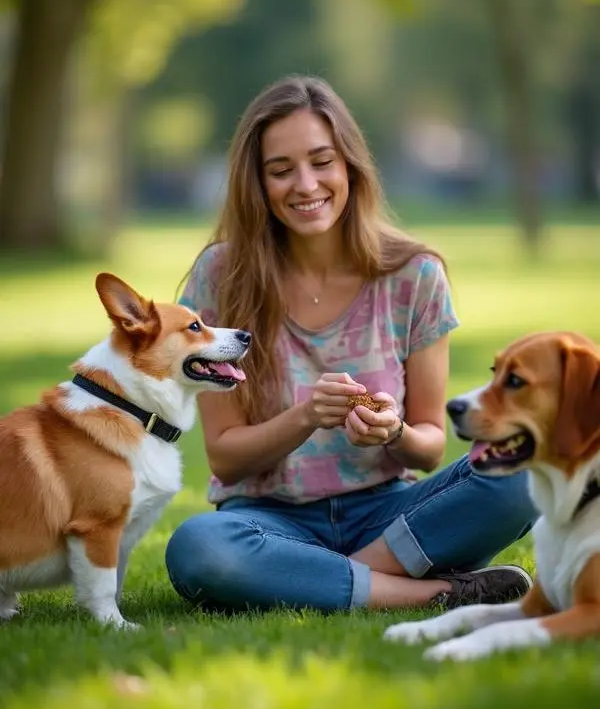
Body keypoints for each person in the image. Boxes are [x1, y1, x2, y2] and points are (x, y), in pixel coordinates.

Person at [165, 75, 536, 613]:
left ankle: (319, 579)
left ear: (350, 166)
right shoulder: (220, 276)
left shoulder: (414, 275)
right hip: (268, 519)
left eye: (322, 161)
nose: (306, 185)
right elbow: (225, 458)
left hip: (390, 515)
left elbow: (430, 445)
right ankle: (434, 592)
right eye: (281, 170)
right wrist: (305, 417)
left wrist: (394, 431)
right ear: (257, 183)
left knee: (525, 470)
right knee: (198, 548)